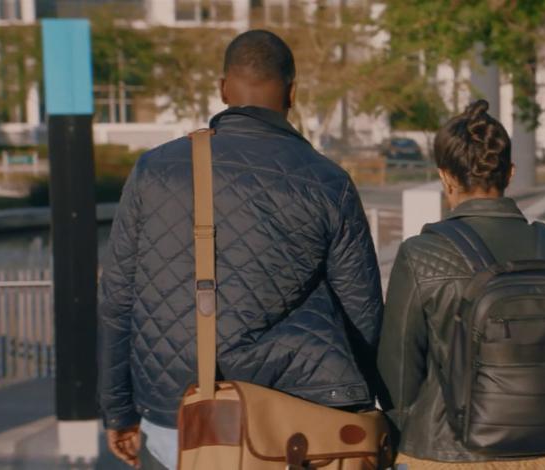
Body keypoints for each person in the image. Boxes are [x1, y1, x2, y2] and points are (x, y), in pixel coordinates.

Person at [97, 30, 384, 469]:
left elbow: (117, 297)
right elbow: (361, 312)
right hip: (289, 422)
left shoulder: (154, 170)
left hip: (173, 410)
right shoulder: (327, 181)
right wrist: (371, 406)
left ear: (223, 89)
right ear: (293, 93)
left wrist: (119, 410)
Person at [377, 100, 545, 469]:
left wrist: (401, 431)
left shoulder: (422, 254)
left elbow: (400, 364)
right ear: (510, 173)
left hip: (447, 452)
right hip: (544, 450)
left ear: (445, 177)